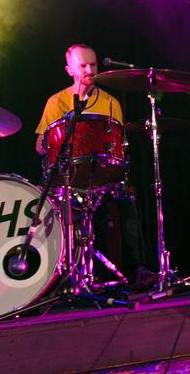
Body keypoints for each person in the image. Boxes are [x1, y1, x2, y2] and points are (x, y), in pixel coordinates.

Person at [35, 43, 146, 284]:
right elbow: (40, 147)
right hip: (68, 178)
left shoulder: (110, 103)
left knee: (128, 195)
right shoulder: (57, 102)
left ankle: (136, 268)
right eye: (83, 65)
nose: (89, 69)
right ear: (69, 70)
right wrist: (51, 140)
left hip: (102, 176)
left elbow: (117, 146)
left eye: (93, 64)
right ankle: (59, 274)